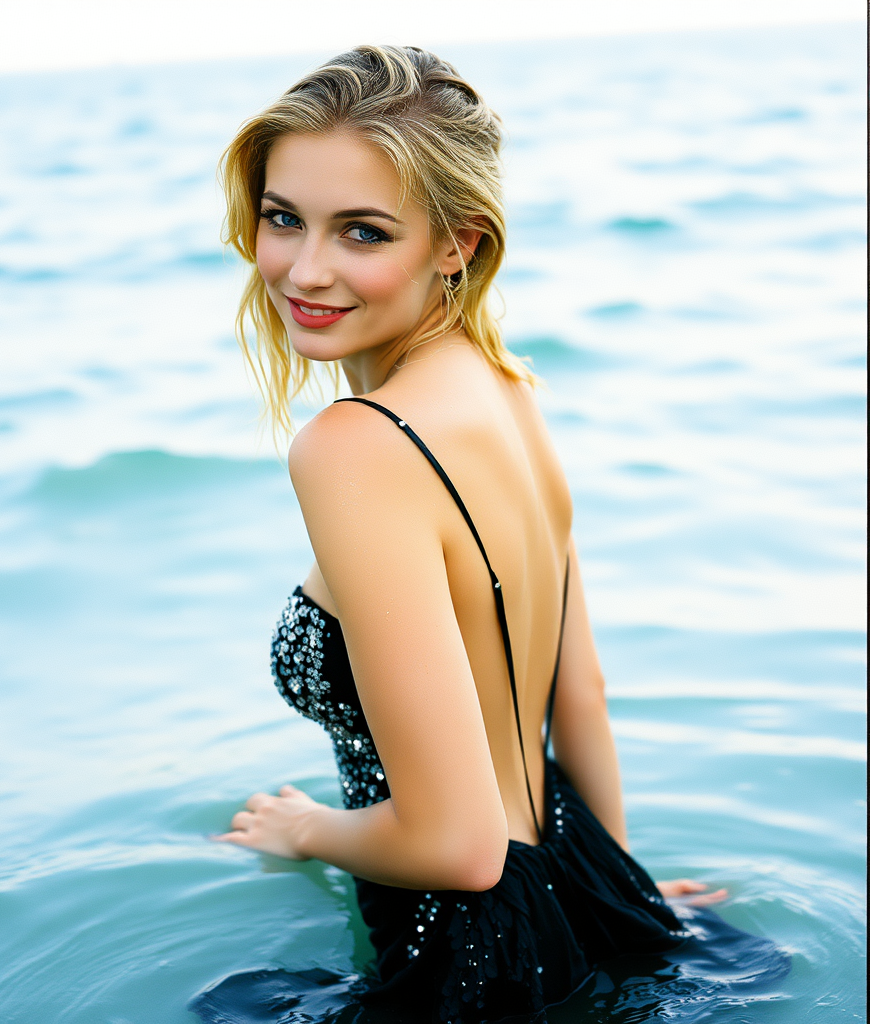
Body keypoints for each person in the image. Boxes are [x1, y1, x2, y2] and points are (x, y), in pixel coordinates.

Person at [196, 45, 787, 1023]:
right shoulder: (505, 388)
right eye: (282, 217)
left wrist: (308, 829)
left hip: (463, 950)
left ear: (456, 245)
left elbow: (459, 846)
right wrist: (620, 893)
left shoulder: (352, 446)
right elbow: (579, 691)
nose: (304, 269)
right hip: (567, 870)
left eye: (363, 232)